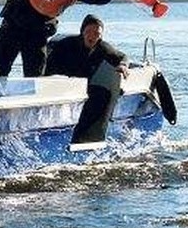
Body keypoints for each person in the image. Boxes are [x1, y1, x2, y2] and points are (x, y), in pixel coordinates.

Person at [45, 14, 129, 144]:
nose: (92, 36)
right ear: (82, 32)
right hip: (59, 83)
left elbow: (121, 57)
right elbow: (48, 67)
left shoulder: (103, 48)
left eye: (97, 33)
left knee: (102, 93)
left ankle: (90, 135)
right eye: (89, 32)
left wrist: (123, 66)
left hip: (83, 87)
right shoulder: (66, 45)